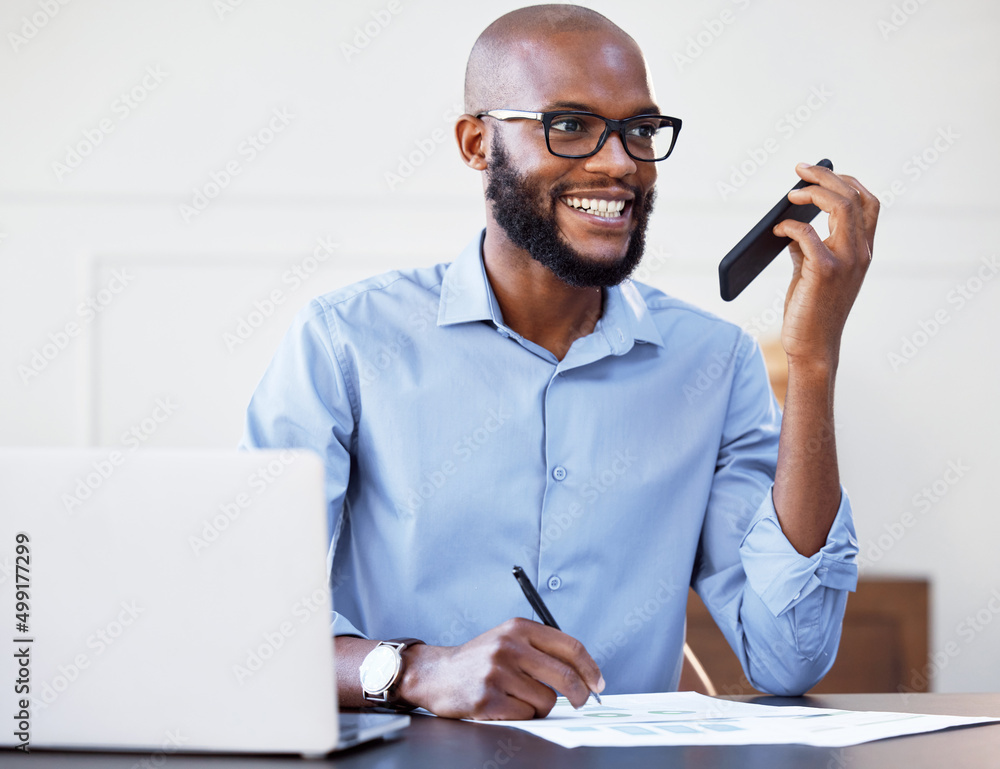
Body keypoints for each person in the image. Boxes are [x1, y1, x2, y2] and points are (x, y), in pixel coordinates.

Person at [241, 4, 878, 720]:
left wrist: (815, 359)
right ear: (477, 143)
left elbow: (788, 653)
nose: (618, 164)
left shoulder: (714, 364)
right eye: (569, 125)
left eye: (639, 130)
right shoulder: (343, 342)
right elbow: (246, 629)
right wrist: (417, 669)